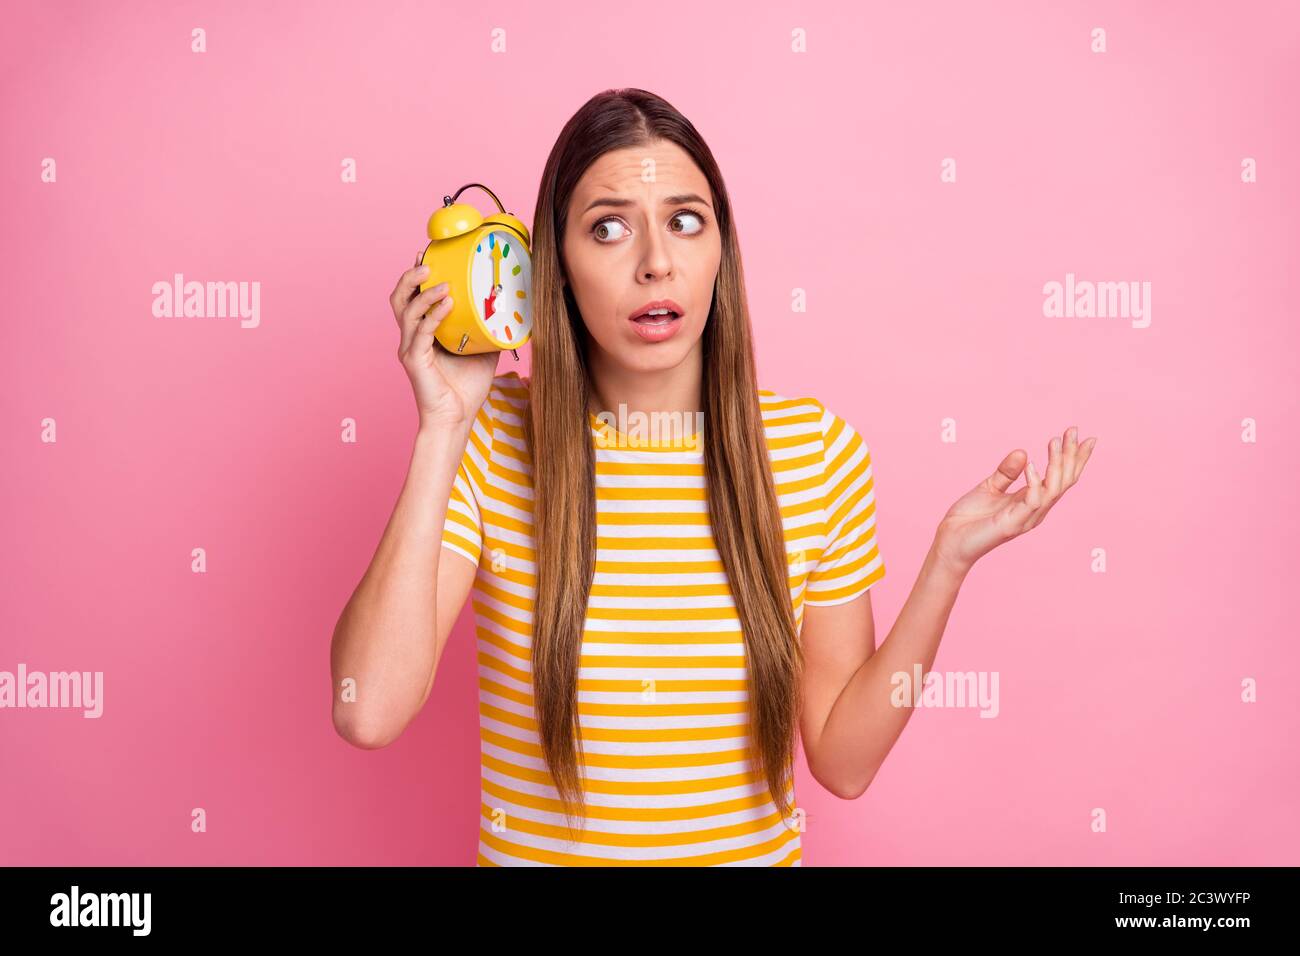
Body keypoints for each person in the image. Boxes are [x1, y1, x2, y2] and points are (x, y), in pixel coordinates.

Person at [329, 88, 1098, 867]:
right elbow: (369, 711)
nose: (656, 261)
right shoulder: (490, 438)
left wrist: (947, 564)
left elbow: (844, 761)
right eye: (608, 227)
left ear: (721, 249)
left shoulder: (813, 453)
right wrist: (444, 429)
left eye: (685, 221)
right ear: (552, 267)